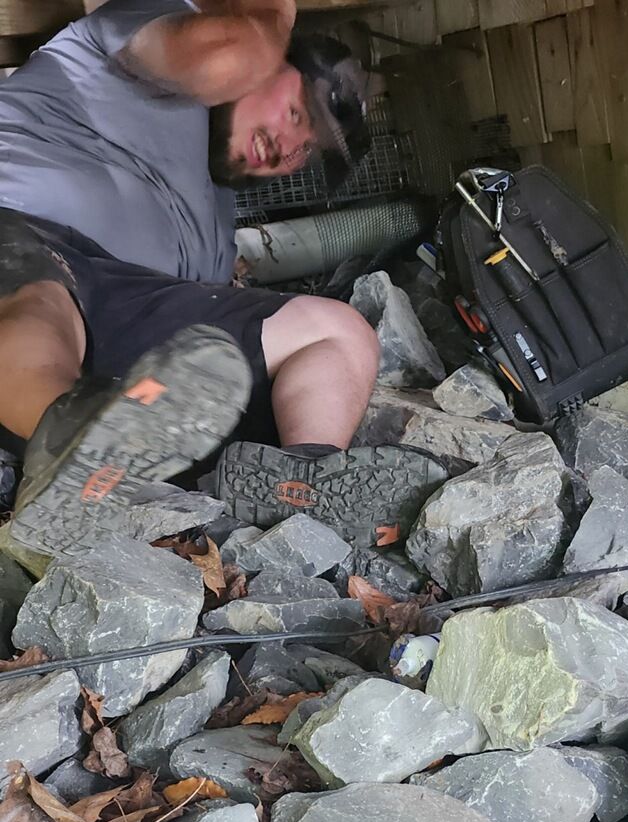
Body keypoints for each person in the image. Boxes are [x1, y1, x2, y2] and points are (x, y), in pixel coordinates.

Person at [0, 0, 446, 559]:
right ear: (269, 62)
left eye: (307, 150)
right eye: (297, 114)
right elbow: (222, 55)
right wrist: (274, 21)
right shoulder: (134, 48)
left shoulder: (212, 224)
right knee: (37, 292)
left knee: (334, 330)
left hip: (117, 336)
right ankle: (61, 446)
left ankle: (301, 488)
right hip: (18, 235)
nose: (291, 149)